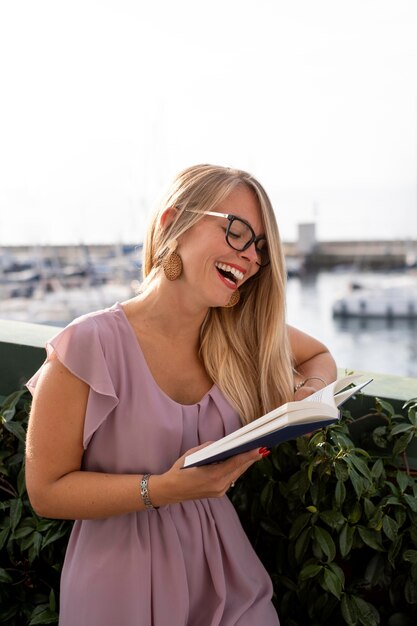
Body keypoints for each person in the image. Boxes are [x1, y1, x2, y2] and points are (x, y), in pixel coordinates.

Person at [25, 164, 337, 626]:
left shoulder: (241, 336)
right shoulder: (88, 344)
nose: (250, 257)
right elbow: (46, 491)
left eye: (260, 247)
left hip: (225, 578)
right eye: (237, 232)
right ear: (173, 222)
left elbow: (320, 357)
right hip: (116, 589)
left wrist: (303, 399)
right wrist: (164, 489)